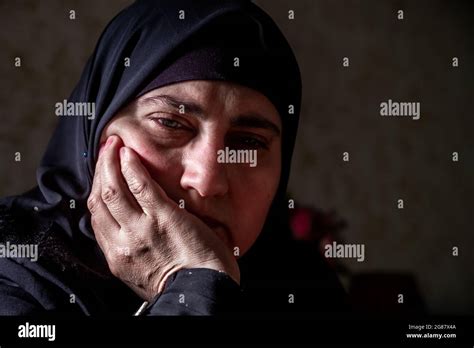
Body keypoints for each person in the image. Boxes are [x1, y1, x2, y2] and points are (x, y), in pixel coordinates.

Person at [0, 0, 347, 315]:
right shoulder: (15, 275)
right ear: (96, 130)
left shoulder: (302, 287)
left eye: (248, 142)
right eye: (170, 123)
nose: (207, 180)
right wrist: (196, 286)